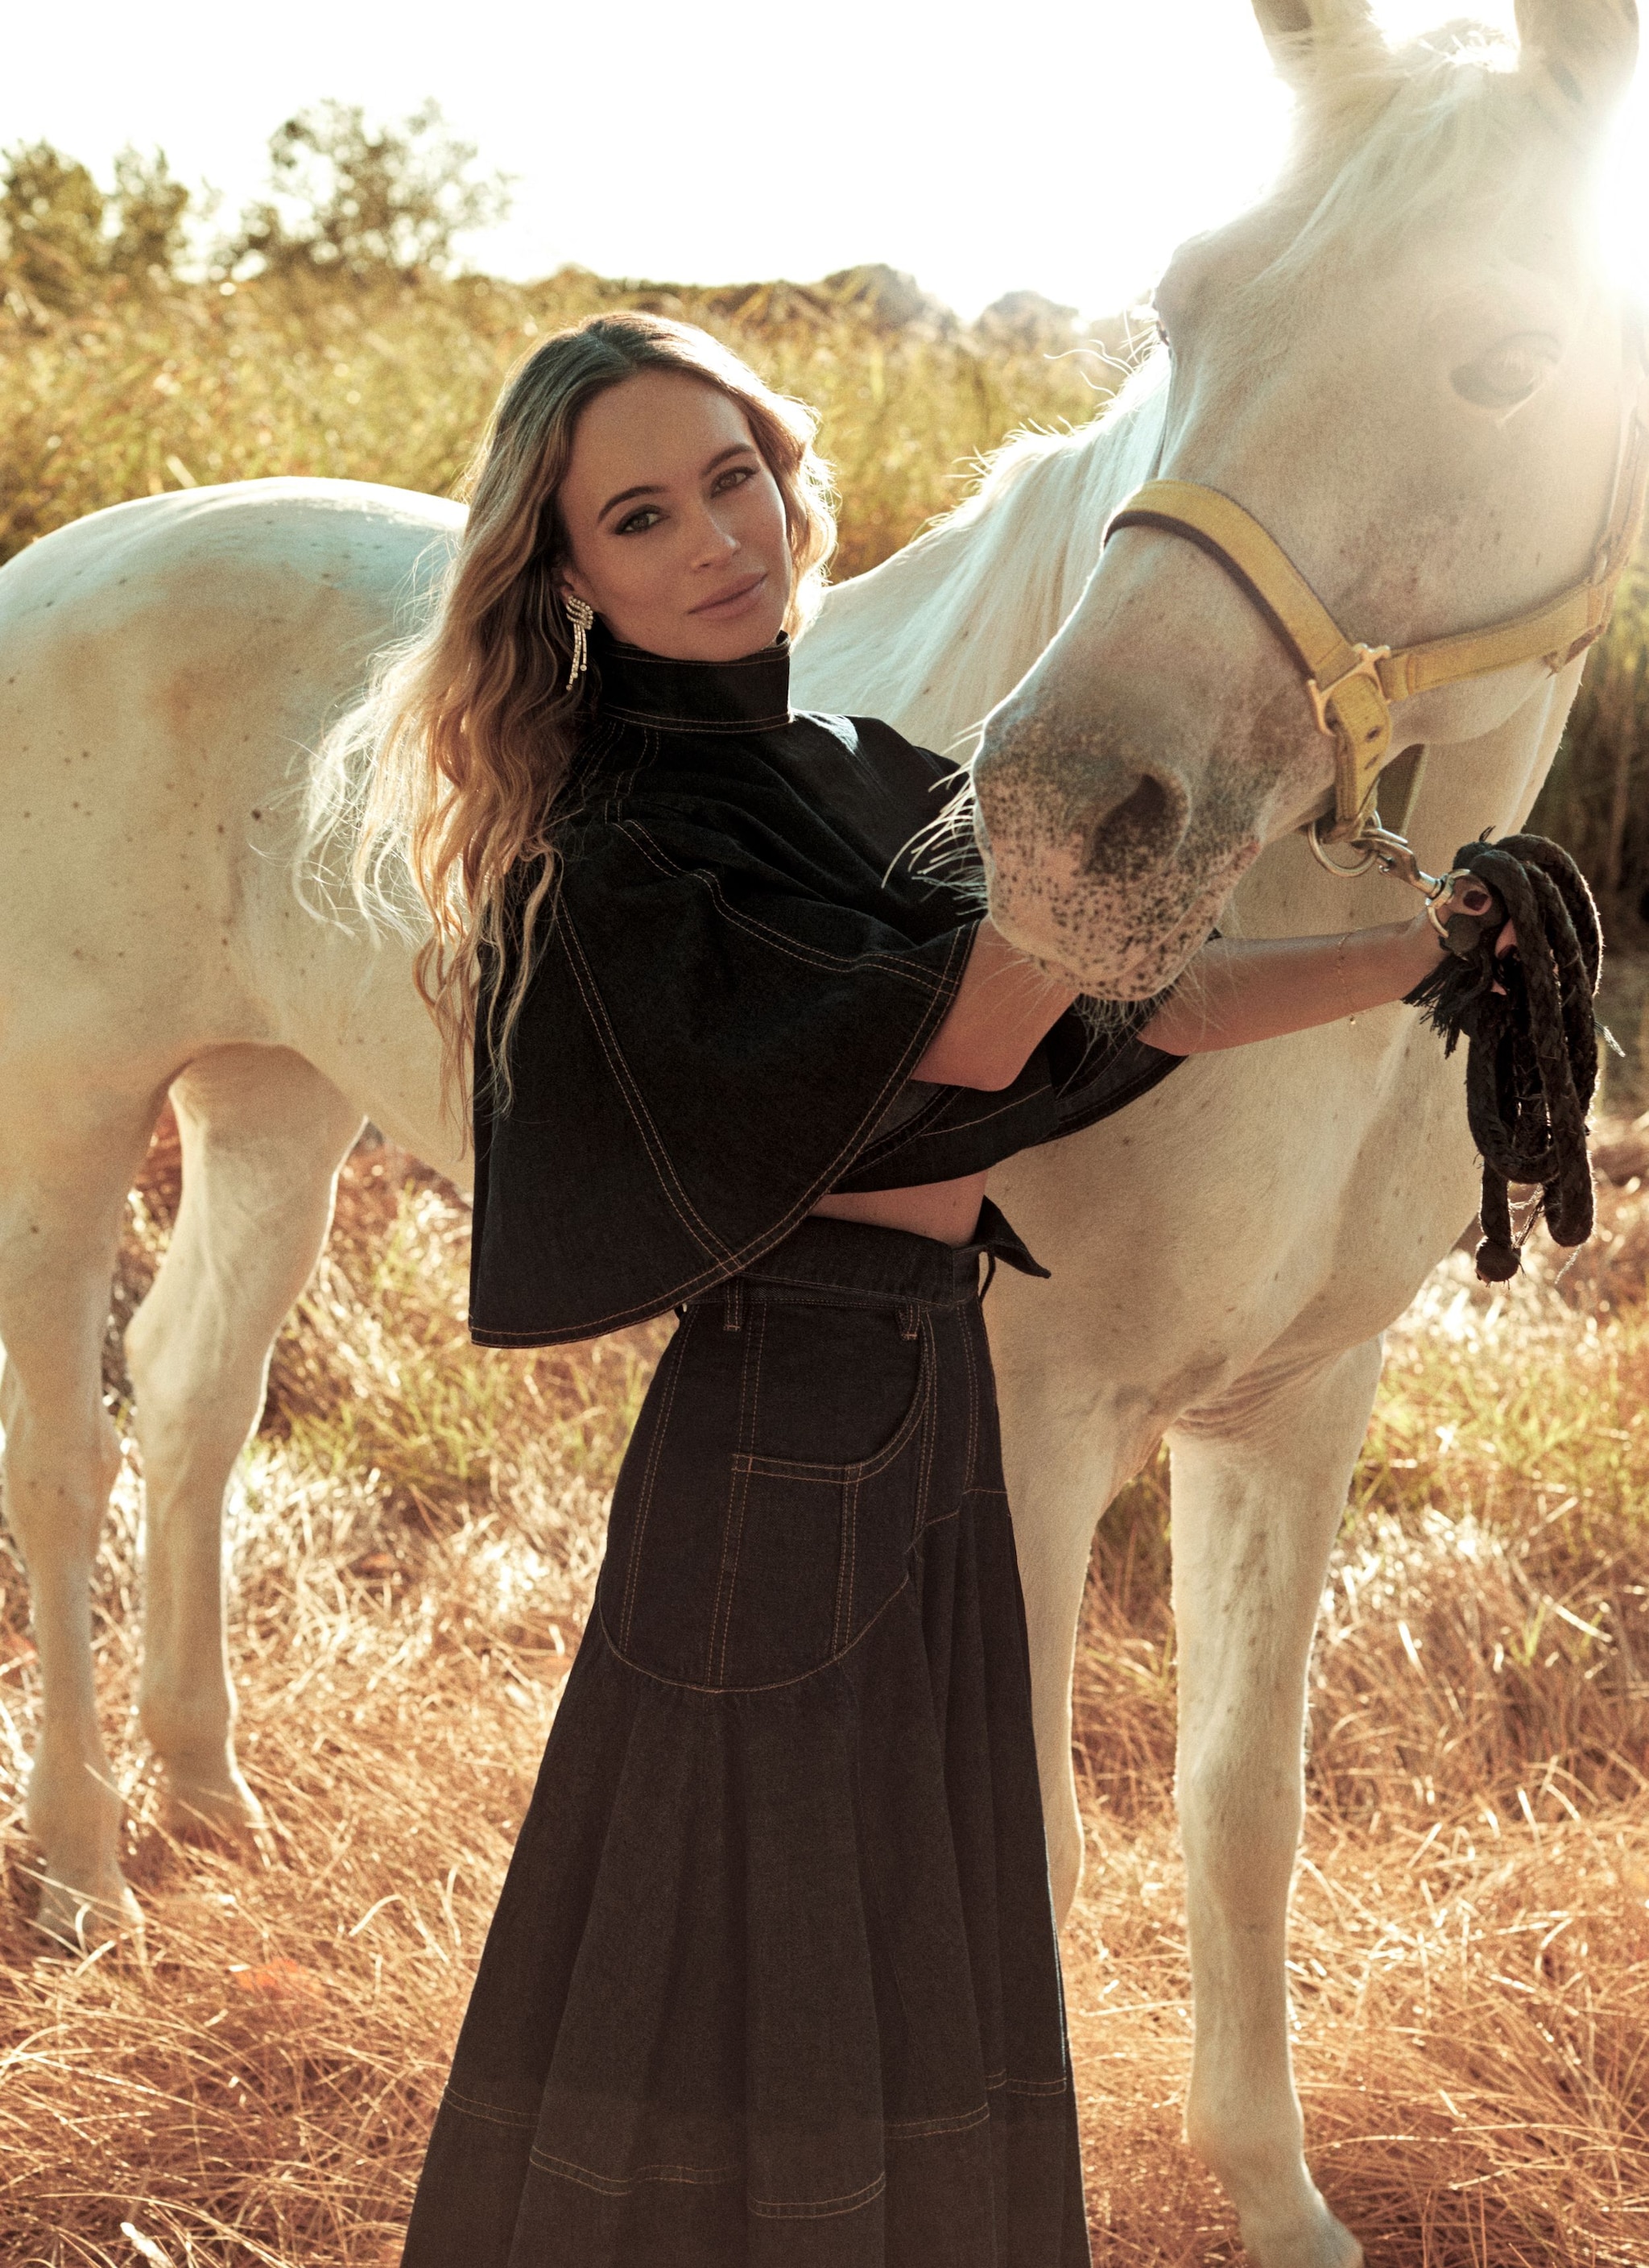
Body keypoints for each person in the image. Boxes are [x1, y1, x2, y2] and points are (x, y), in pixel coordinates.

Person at [352, 311, 1474, 2268]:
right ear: (567, 581)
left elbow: (1151, 995)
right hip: (779, 1434)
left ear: (788, 476)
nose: (715, 536)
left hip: (923, 1387)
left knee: (909, 1921)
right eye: (639, 515)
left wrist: (1424, 946)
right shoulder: (626, 837)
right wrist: (1119, 796)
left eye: (732, 477)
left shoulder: (851, 766)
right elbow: (965, 1028)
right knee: (757, 1946)